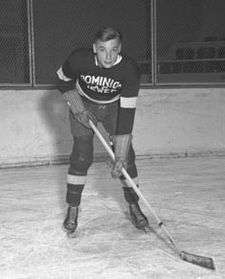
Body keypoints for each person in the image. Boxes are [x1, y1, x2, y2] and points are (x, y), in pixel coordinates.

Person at [56, 26, 149, 237]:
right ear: (94, 48)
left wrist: (121, 153)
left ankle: (134, 206)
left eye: (114, 50)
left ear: (120, 49)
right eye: (102, 49)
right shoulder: (79, 59)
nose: (108, 56)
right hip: (83, 104)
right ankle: (73, 207)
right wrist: (76, 104)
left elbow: (127, 113)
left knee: (128, 158)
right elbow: (61, 80)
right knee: (81, 155)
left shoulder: (129, 69)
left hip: (114, 108)